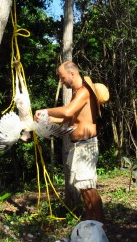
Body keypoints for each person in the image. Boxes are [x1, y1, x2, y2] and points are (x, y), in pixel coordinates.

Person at [34, 61, 109, 223]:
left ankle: (101, 225)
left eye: (62, 77)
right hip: (79, 146)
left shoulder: (83, 92)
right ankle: (90, 220)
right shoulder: (77, 93)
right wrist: (47, 119)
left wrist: (44, 110)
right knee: (84, 188)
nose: (61, 81)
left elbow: (68, 110)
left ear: (72, 74)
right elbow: (68, 117)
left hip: (86, 146)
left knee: (88, 188)